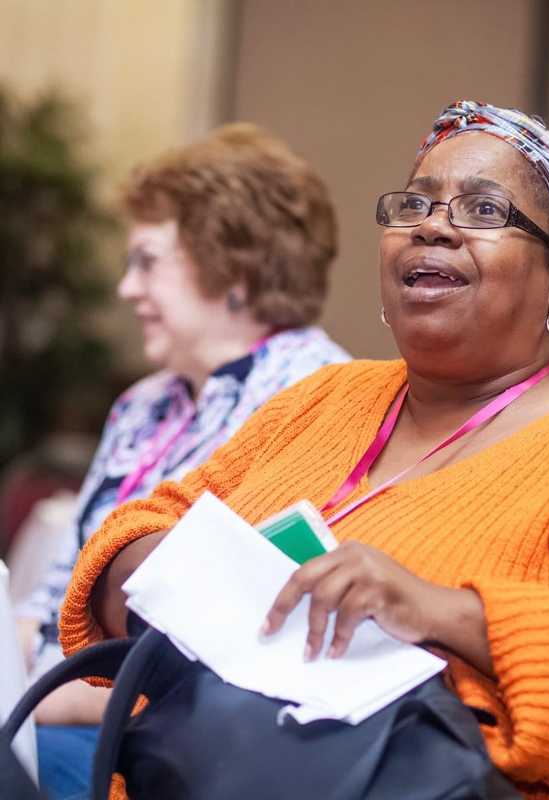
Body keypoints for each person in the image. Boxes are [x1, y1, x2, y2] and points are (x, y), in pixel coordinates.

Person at [61, 101, 549, 800]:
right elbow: (137, 530)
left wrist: (434, 611)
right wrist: (202, 583)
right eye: (414, 205)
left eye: (483, 211)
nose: (431, 224)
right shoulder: (324, 398)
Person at [15, 122, 350, 797]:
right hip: (53, 710)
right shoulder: (145, 404)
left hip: (172, 741)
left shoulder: (322, 400)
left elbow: (230, 658)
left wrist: (36, 701)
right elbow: (53, 601)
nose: (125, 289)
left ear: (234, 266)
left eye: (146, 261)